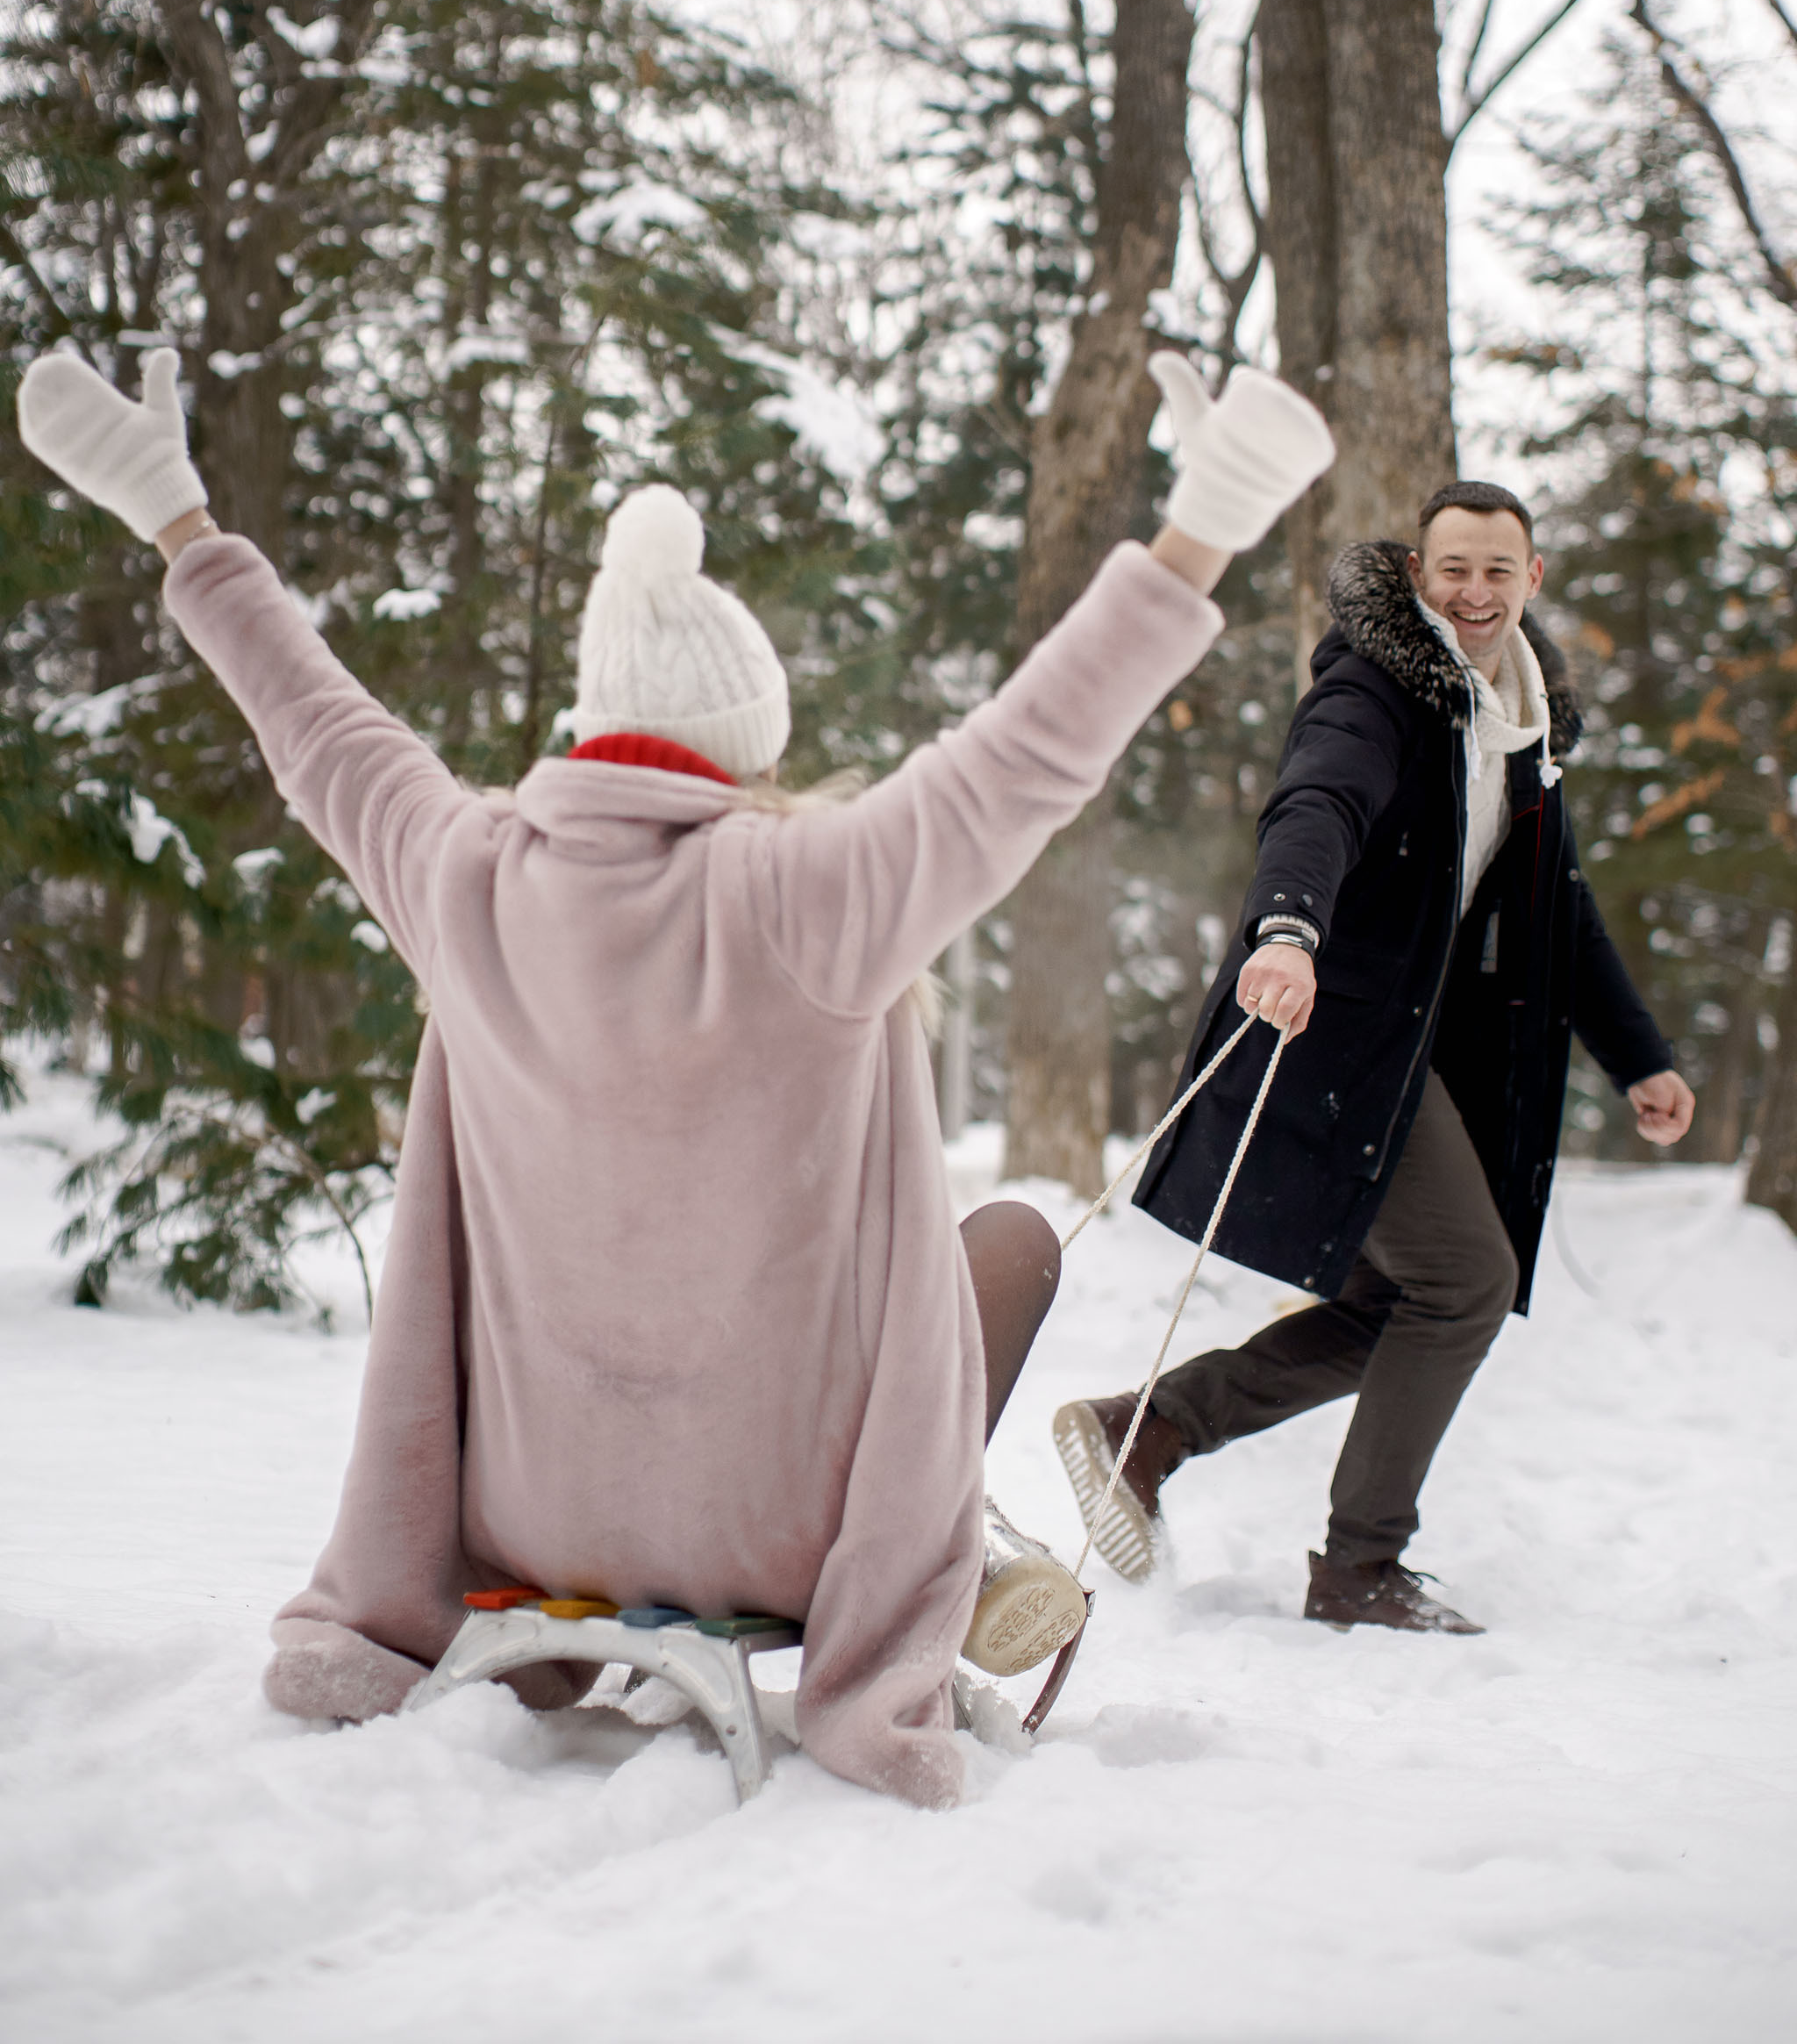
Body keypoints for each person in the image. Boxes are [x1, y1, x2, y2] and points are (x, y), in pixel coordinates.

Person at [17, 341, 1332, 1806]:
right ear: (742, 742)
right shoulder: (811, 892)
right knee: (1010, 1240)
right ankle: (950, 1565)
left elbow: (310, 721)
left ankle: (970, 1552)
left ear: (594, 726)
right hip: (777, 1536)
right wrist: (1197, 526)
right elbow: (1028, 755)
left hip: (525, 1520)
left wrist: (177, 519)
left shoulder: (463, 873)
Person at [1055, 477, 1694, 1634]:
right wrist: (1288, 928)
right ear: (1417, 573)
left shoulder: (1525, 727)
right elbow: (1318, 804)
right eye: (1454, 569)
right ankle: (1358, 1567)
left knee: (1397, 1304)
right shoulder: (1379, 684)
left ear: (1533, 578)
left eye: (1499, 570)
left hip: (1411, 1055)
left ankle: (1148, 1427)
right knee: (1465, 1284)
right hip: (1329, 1028)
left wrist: (1639, 1057)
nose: (1476, 592)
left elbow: (1566, 915)